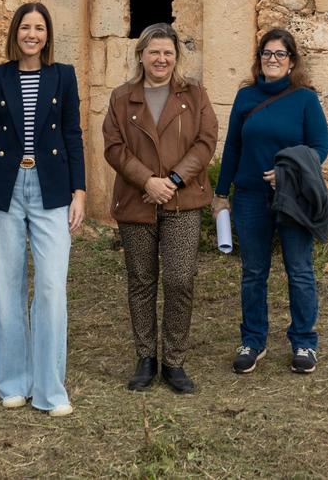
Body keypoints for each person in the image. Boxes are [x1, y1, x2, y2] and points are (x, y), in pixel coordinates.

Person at [0, 2, 86, 417]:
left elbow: (73, 134)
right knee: (6, 286)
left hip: (51, 188)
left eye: (39, 28)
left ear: (48, 34)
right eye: (25, 27)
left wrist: (79, 191)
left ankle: (50, 390)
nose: (32, 34)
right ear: (15, 33)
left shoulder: (64, 75)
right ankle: (12, 382)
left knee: (52, 289)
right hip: (4, 187)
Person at [101, 23, 218, 395]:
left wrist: (173, 180)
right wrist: (148, 181)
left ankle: (174, 360)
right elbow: (114, 146)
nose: (161, 59)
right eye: (154, 52)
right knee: (141, 280)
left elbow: (205, 141)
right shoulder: (122, 97)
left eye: (168, 53)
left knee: (180, 279)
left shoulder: (194, 94)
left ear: (176, 58)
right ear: (141, 56)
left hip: (182, 199)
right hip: (138, 200)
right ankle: (146, 357)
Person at [213, 28, 328, 376]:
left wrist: (287, 173)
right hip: (249, 195)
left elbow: (319, 148)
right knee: (253, 272)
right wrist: (221, 194)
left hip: (293, 196)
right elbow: (233, 147)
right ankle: (253, 341)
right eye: (267, 53)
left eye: (280, 54)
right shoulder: (246, 97)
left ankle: (304, 343)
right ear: (259, 58)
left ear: (292, 62)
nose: (272, 59)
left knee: (299, 270)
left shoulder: (305, 100)